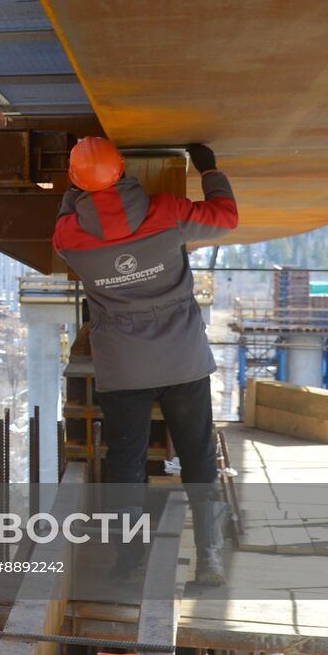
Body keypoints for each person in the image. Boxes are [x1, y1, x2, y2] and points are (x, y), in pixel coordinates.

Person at [52, 137, 238, 584]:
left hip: (124, 365)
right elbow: (226, 218)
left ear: (76, 184)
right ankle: (210, 557)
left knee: (126, 462)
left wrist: (75, 192)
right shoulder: (165, 211)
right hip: (182, 357)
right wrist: (209, 169)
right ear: (122, 171)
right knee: (197, 457)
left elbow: (64, 216)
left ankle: (129, 560)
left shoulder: (69, 237)